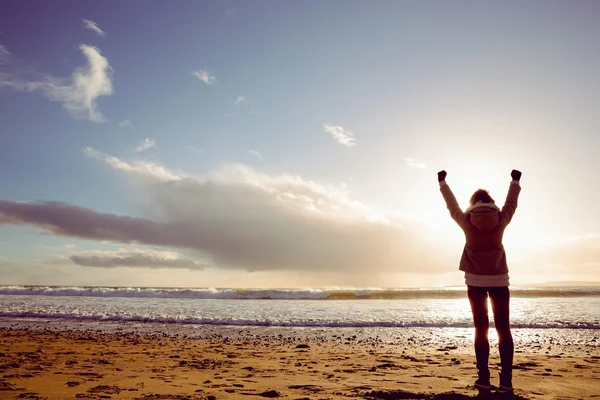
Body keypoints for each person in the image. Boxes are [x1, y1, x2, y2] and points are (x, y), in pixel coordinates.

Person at [437, 169, 522, 392]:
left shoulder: (466, 220)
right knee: (503, 329)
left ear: (473, 203)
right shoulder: (501, 218)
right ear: (490, 202)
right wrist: (514, 181)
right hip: (500, 280)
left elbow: (451, 205)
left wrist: (443, 183)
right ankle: (506, 382)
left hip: (474, 281)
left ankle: (483, 378)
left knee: (480, 329)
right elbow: (511, 203)